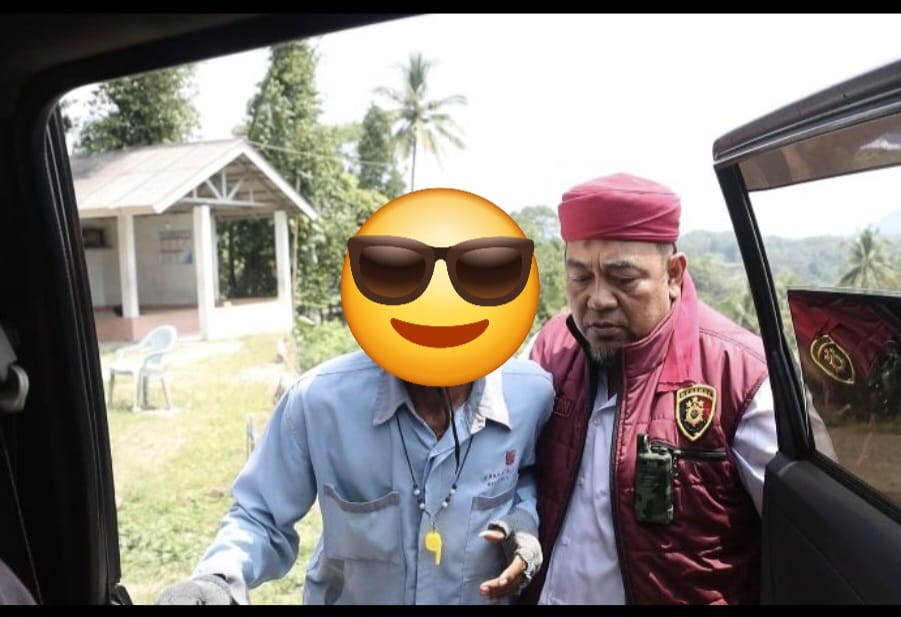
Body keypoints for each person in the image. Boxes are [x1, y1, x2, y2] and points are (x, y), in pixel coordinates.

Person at [522, 173, 779, 605]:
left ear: (673, 274)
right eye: (580, 278)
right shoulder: (548, 351)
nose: (598, 300)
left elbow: (809, 541)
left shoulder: (739, 377)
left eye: (623, 279)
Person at [156, 351, 553, 605]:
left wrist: (524, 521)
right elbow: (261, 516)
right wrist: (218, 580)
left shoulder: (531, 395)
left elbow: (528, 475)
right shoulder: (319, 401)